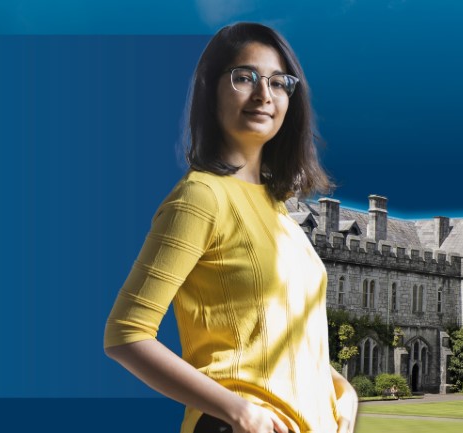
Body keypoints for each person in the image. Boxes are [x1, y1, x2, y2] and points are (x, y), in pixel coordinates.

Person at [103, 22, 354, 433]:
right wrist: (239, 412)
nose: (263, 94)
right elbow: (126, 334)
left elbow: (280, 339)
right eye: (244, 77)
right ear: (210, 90)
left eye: (278, 82)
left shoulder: (279, 211)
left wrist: (342, 390)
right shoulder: (200, 197)